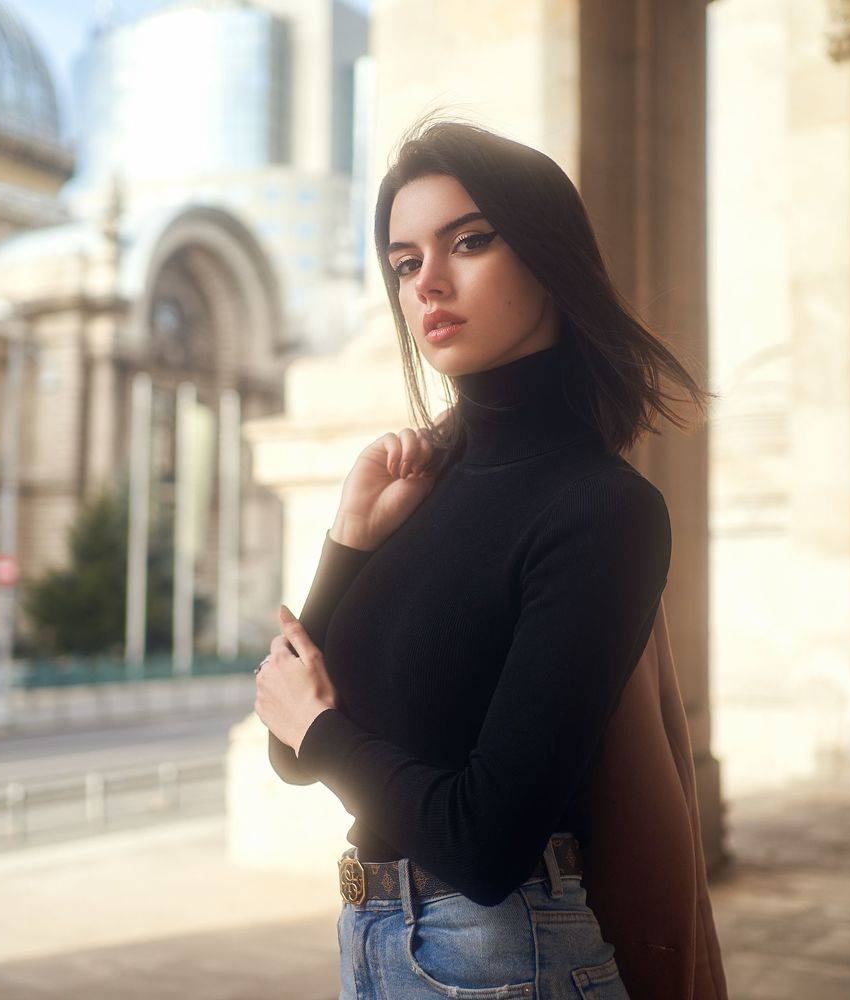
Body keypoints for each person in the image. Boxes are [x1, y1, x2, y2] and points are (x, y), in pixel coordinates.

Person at [253, 116, 728, 1000]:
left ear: (549, 256)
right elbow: (288, 747)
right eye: (403, 262)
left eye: (468, 241)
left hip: (502, 960)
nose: (428, 281)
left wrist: (321, 730)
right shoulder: (422, 484)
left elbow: (484, 842)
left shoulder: (603, 509)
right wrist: (350, 540)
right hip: (376, 940)